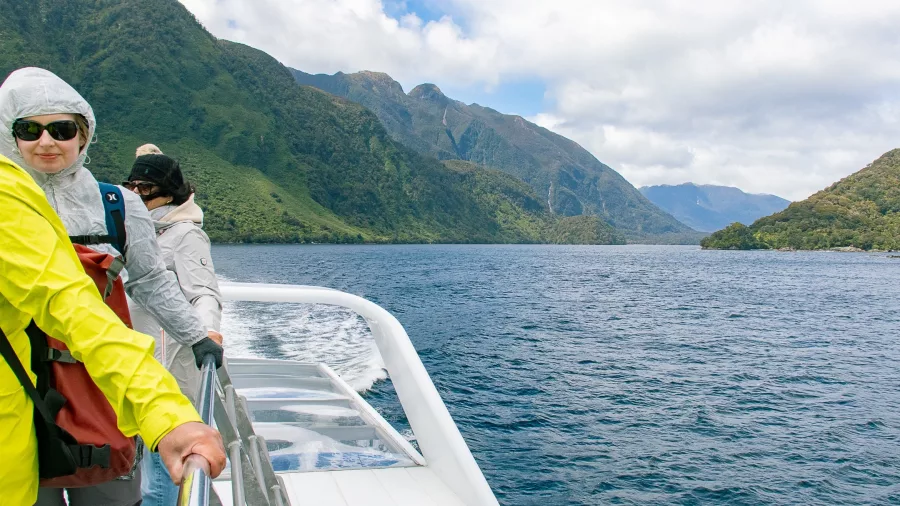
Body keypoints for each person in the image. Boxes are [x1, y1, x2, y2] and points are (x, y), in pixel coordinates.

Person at [0, 67, 225, 505]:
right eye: (29, 129)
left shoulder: (116, 204)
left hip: (103, 382)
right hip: (23, 382)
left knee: (109, 492)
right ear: (9, 134)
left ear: (84, 135)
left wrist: (196, 336)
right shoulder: (10, 203)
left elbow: (150, 281)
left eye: (62, 129)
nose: (47, 142)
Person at [124, 152, 224, 504]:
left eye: (146, 187)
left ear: (169, 192)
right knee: (143, 469)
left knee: (160, 479)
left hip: (169, 368)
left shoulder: (185, 235)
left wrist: (209, 332)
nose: (136, 194)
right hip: (136, 368)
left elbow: (204, 294)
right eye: (131, 186)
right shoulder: (130, 230)